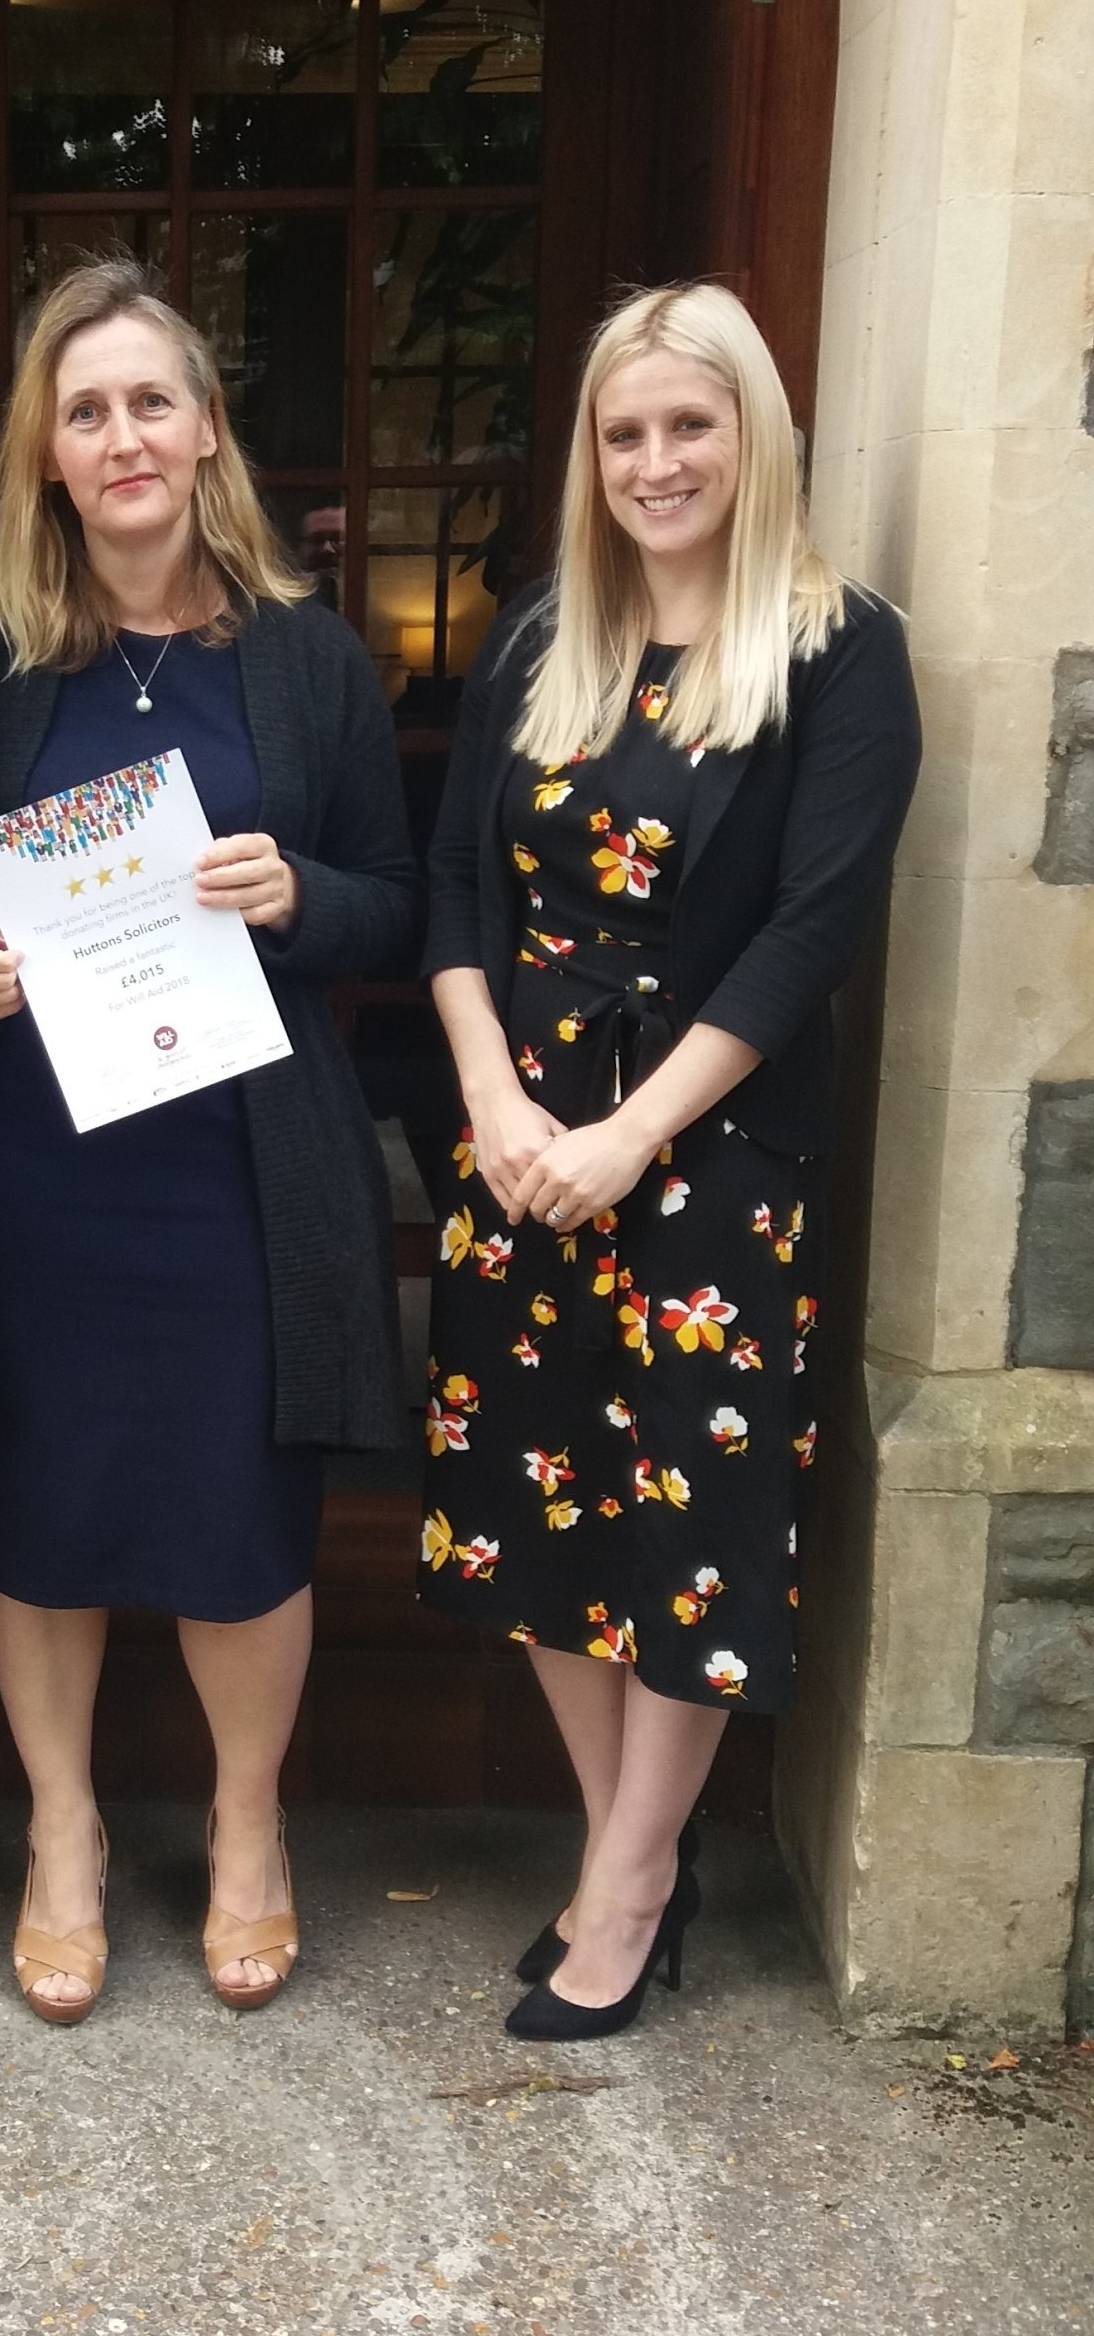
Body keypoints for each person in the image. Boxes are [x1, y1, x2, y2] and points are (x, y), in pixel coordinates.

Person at [0, 259, 419, 2023]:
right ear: (46, 447)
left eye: (151, 403)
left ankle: (249, 1826)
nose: (122, 437)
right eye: (86, 408)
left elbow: (400, 900)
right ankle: (65, 1831)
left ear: (205, 432)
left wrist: (301, 893)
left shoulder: (308, 658)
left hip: (243, 1174)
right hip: (36, 1165)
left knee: (242, 1508)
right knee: (36, 1501)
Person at [418, 282, 919, 2041]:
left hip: (708, 1153)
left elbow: (812, 932)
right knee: (536, 1503)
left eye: (689, 425)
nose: (655, 462)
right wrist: (493, 1102)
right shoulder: (543, 635)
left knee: (686, 1524)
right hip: (525, 1145)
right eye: (624, 432)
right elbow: (454, 885)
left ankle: (628, 1887)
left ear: (755, 431)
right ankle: (628, 1845)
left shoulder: (840, 649)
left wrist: (638, 1133)